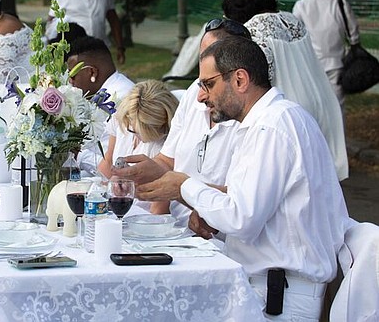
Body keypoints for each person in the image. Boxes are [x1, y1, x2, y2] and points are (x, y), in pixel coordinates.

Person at [132, 36, 351, 321]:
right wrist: (204, 206)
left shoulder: (272, 128)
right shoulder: (270, 122)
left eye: (207, 84)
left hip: (281, 298)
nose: (200, 96)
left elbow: (242, 219)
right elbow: (250, 201)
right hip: (273, 288)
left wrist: (183, 186)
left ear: (239, 80)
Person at [220, 0, 348, 180]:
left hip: (285, 109)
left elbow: (258, 81)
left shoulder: (251, 31)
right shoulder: (291, 20)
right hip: (318, 100)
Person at [133, 18, 252, 222]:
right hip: (177, 228)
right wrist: (141, 173)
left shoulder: (252, 120)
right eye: (200, 58)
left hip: (218, 237)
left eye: (211, 58)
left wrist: (181, 189)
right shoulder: (192, 94)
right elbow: (166, 161)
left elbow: (241, 204)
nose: (200, 94)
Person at [65, 35, 134, 173]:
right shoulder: (101, 91)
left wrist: (77, 154)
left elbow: (114, 165)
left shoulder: (122, 98)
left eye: (73, 76)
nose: (70, 82)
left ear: (92, 72)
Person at [292, 0, 360, 106]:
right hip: (336, 63)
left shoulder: (302, 4)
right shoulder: (340, 4)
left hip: (310, 62)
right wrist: (355, 43)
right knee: (336, 104)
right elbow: (353, 31)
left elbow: (294, 33)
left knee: (314, 103)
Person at [98, 80, 178, 181]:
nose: (141, 138)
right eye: (133, 131)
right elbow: (108, 162)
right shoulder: (122, 120)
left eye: (150, 133)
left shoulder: (172, 142)